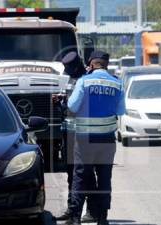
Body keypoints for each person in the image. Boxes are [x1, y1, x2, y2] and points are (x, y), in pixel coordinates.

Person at [64, 50, 125, 225]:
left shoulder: (84, 81)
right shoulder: (117, 84)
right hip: (107, 140)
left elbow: (72, 106)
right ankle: (102, 218)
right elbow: (120, 111)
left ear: (91, 64)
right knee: (105, 178)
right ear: (106, 64)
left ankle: (75, 218)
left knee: (80, 177)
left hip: (85, 140)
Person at [54, 51, 98, 223]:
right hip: (69, 131)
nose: (68, 72)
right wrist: (59, 101)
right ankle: (72, 208)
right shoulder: (68, 77)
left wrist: (66, 104)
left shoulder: (87, 77)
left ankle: (92, 210)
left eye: (70, 69)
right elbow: (67, 106)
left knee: (86, 173)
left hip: (84, 133)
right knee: (71, 172)